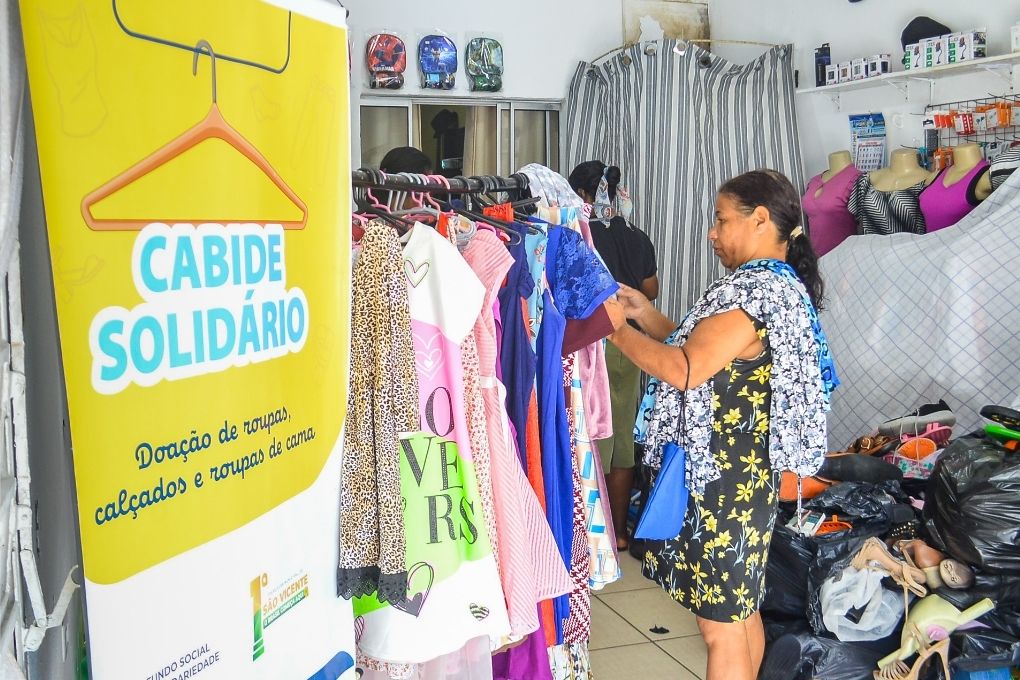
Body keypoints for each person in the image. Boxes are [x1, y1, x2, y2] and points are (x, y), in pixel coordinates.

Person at [604, 170, 837, 680]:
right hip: (744, 476)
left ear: (759, 220)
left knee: (721, 627)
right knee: (740, 611)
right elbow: (709, 356)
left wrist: (615, 329)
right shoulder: (775, 287)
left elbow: (686, 370)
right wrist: (647, 315)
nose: (712, 232)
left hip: (725, 484)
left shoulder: (751, 294)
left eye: (720, 219)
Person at [568, 161, 658, 552]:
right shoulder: (636, 236)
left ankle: (592, 538)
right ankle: (619, 532)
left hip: (595, 344)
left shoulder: (579, 236)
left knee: (591, 437)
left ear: (583, 196)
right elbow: (650, 290)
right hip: (633, 346)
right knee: (623, 442)